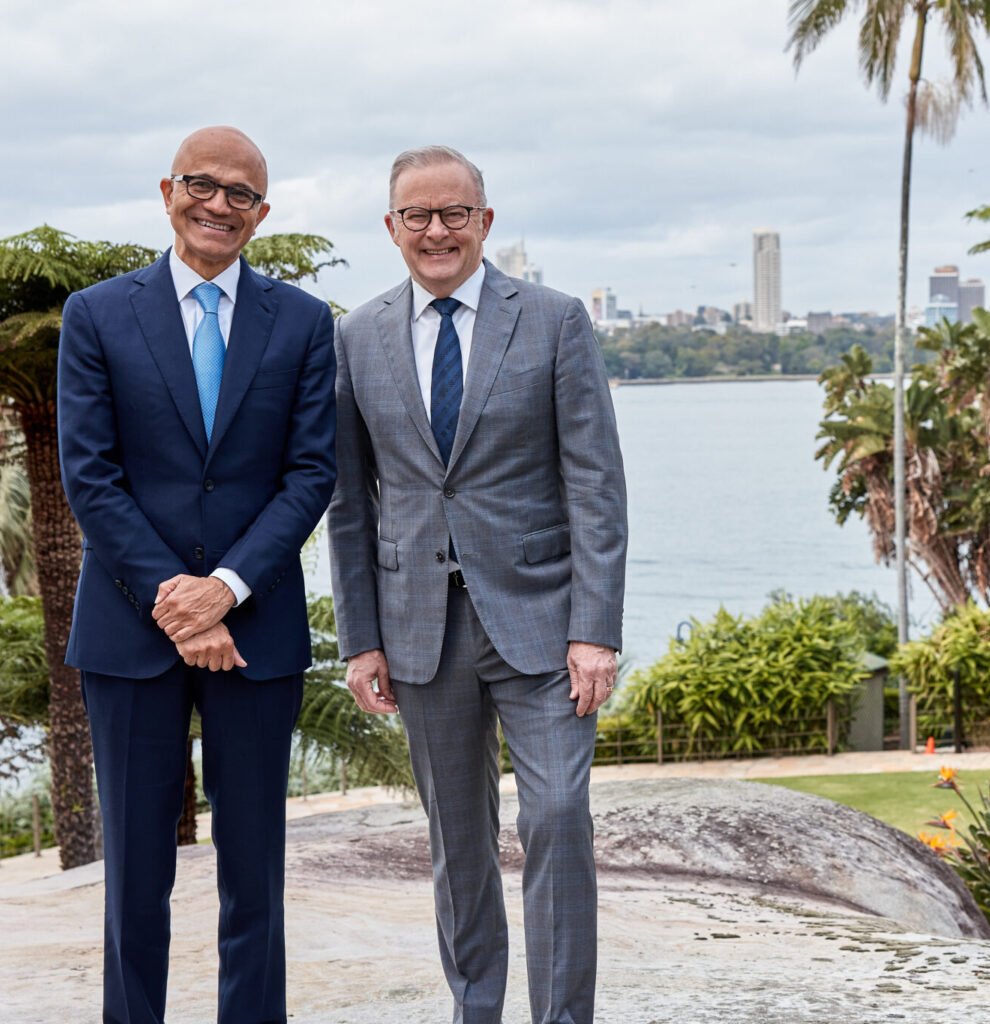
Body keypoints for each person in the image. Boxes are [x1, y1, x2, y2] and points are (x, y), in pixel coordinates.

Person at [325, 145, 627, 1024]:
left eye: (455, 213)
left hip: (543, 625)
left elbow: (596, 488)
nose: (436, 231)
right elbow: (351, 502)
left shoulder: (555, 320)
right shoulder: (356, 336)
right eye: (417, 215)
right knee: (458, 844)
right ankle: (476, 1010)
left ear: (484, 223)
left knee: (559, 818)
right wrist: (361, 638)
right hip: (418, 629)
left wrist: (596, 630)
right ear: (391, 230)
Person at [57, 125, 336, 1024]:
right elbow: (88, 475)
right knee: (135, 874)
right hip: (128, 630)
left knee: (254, 870)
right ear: (167, 189)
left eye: (241, 194)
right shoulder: (97, 315)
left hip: (255, 631)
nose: (219, 205)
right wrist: (179, 602)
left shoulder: (300, 321)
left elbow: (310, 474)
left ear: (263, 212)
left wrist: (227, 589)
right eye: (202, 185)